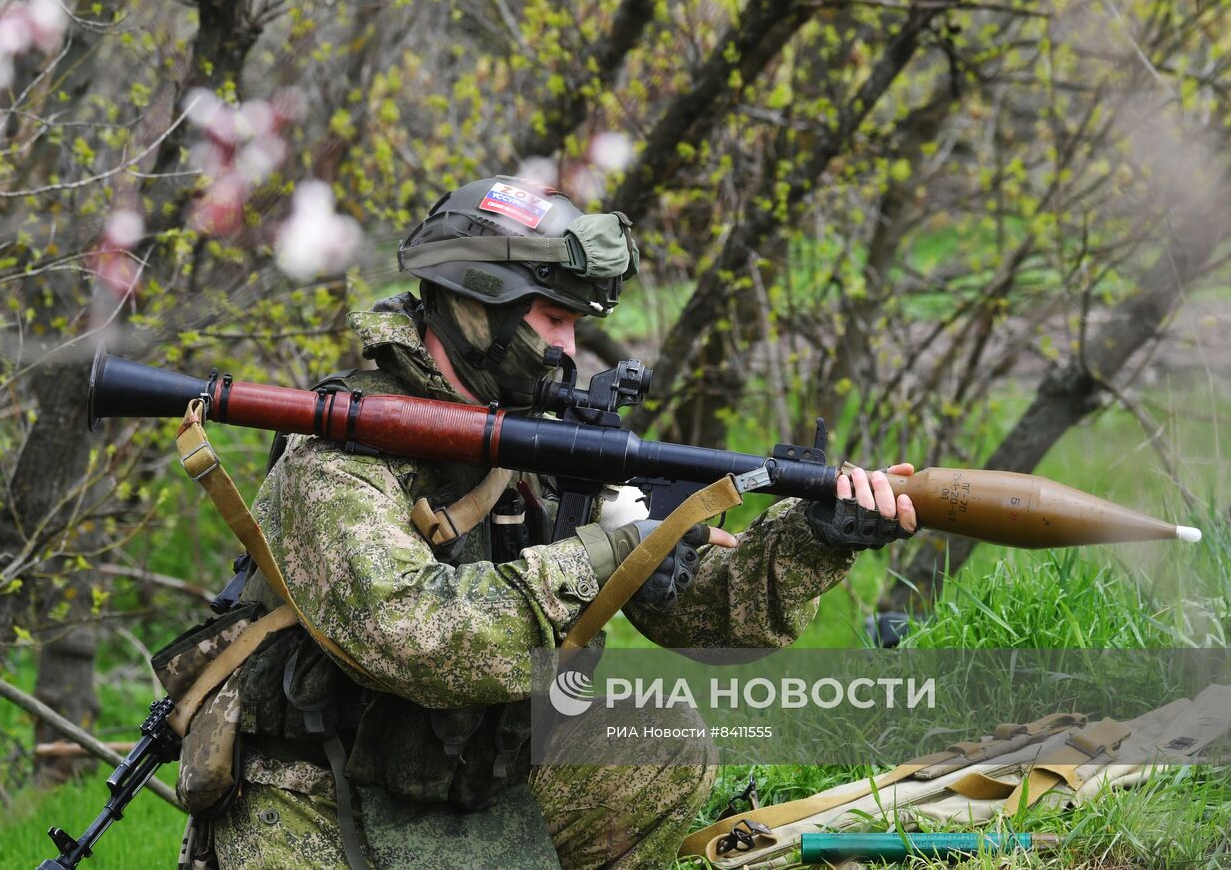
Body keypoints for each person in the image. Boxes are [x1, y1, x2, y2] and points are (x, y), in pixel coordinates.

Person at [191, 176, 917, 869]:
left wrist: (812, 539)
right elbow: (412, 634)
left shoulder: (533, 438)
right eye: (554, 318)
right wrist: (596, 555)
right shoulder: (340, 449)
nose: (569, 349)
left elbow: (696, 612)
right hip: (314, 794)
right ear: (481, 304)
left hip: (468, 777)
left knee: (662, 741)